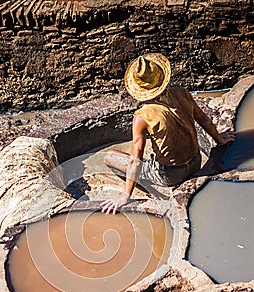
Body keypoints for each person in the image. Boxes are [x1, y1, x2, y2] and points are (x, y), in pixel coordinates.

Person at [100, 53, 235, 214]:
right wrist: (220, 140)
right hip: (195, 161)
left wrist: (125, 196)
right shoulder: (182, 93)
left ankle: (148, 192)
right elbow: (204, 120)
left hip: (171, 175)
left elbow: (135, 162)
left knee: (109, 157)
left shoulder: (142, 117)